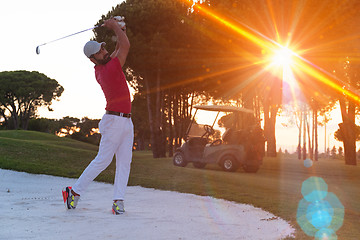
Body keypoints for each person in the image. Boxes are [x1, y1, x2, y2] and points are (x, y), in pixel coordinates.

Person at [62, 17, 133, 215]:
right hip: (114, 121)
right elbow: (124, 46)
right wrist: (115, 27)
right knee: (103, 160)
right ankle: (74, 192)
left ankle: (118, 201)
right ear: (93, 59)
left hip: (126, 121)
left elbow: (120, 46)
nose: (104, 50)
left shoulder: (108, 64)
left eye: (103, 48)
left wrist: (121, 29)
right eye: (100, 51)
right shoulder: (107, 69)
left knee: (125, 162)